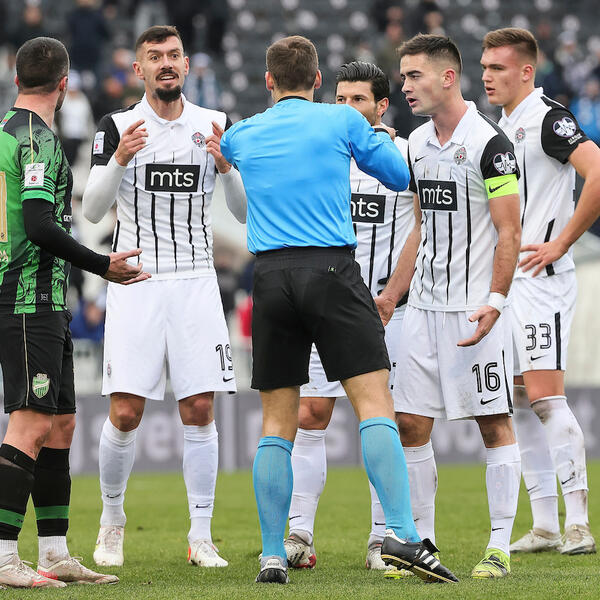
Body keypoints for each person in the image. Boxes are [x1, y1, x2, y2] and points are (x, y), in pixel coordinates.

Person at [216, 35, 458, 585]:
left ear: (268, 81)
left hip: (270, 276)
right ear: (319, 81)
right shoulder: (342, 121)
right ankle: (402, 536)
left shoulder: (241, 134)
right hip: (331, 269)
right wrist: (374, 139)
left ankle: (273, 553)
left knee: (278, 424)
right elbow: (399, 177)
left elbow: (234, 182)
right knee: (375, 406)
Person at [82, 25, 247, 569]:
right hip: (139, 281)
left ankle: (201, 536)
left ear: (187, 64)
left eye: (174, 55)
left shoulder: (215, 124)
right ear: (139, 69)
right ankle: (112, 522)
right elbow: (92, 211)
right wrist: (119, 158)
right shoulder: (117, 126)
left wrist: (226, 167)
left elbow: (244, 212)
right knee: (126, 410)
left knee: (199, 408)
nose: (166, 64)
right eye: (155, 57)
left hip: (196, 279)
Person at [0, 36, 148, 589]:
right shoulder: (36, 139)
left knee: (61, 423)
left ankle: (55, 552)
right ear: (64, 85)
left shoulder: (5, 132)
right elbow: (40, 225)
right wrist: (102, 265)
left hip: (45, 299)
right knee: (31, 421)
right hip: (28, 296)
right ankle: (3, 556)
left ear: (17, 79)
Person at [376, 34, 522, 579]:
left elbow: (510, 231)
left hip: (473, 311)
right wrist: (392, 295)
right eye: (403, 77)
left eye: (414, 76)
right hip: (422, 311)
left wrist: (496, 301)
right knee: (411, 425)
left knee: (493, 423)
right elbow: (420, 227)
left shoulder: (490, 144)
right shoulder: (415, 143)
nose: (405, 86)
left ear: (446, 77)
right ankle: (423, 543)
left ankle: (499, 547)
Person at [281, 61, 414, 573]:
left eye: (358, 100)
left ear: (381, 106)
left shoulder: (404, 155)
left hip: (387, 311)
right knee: (311, 414)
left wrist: (393, 293)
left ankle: (383, 538)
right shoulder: (321, 148)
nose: (347, 109)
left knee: (383, 420)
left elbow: (424, 226)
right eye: (339, 100)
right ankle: (298, 532)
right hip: (326, 301)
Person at [481, 27, 600, 556]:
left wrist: (562, 241)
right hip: (508, 281)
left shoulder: (549, 118)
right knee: (516, 399)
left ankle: (579, 523)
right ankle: (546, 524)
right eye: (485, 67)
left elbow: (597, 171)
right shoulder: (502, 127)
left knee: (547, 398)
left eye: (498, 68)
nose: (488, 76)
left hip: (541, 281)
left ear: (526, 72)